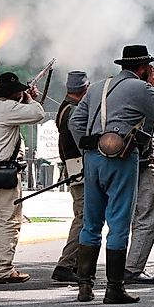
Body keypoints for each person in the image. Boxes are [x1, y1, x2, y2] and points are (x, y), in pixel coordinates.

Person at [70, 45, 154, 304]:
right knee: (119, 224)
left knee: (91, 224)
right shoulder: (143, 88)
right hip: (121, 159)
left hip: (92, 158)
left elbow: (76, 123)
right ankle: (114, 288)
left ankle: (84, 286)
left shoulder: (97, 87)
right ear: (143, 68)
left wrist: (92, 148)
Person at [0, 72, 46, 284]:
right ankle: (3, 270)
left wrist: (23, 98)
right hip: (3, 172)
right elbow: (38, 113)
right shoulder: (6, 108)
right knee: (10, 221)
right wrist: (29, 98)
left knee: (0, 219)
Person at [51, 71, 90, 283]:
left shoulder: (66, 107)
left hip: (74, 167)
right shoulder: (74, 110)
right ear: (85, 89)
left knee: (83, 216)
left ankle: (76, 264)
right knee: (83, 217)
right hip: (79, 167)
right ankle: (65, 265)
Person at [124, 123, 154, 285]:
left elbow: (78, 123)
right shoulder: (143, 103)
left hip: (111, 159)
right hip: (143, 161)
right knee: (147, 217)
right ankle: (133, 268)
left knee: (118, 217)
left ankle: (114, 269)